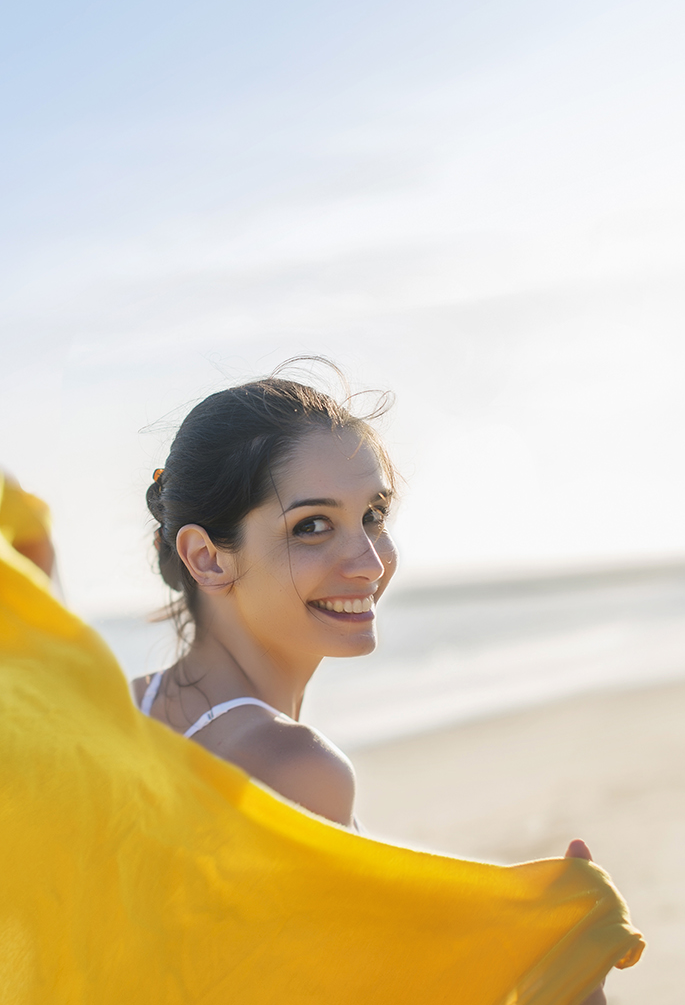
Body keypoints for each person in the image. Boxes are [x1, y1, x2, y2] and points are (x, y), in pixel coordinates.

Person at [131, 370, 610, 1004]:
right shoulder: (291, 768)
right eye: (311, 526)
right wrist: (562, 972)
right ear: (207, 557)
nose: (371, 559)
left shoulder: (120, 709)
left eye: (373, 515)